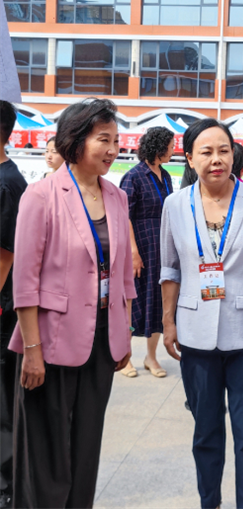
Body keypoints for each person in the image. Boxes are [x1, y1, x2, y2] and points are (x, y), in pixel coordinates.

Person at [9, 98, 136, 509]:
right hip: (50, 341)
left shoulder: (116, 196)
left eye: (116, 140)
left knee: (86, 445)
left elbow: (122, 274)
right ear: (75, 140)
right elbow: (25, 282)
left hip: (102, 341)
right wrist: (32, 350)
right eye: (104, 140)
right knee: (46, 453)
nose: (113, 149)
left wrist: (124, 333)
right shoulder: (41, 195)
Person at [161, 118, 243, 509]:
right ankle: (209, 502)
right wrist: (168, 322)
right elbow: (170, 270)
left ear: (234, 155)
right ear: (189, 158)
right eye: (206, 152)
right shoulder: (175, 205)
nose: (216, 159)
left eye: (224, 150)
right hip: (195, 332)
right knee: (206, 432)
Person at [119, 127, 174, 378]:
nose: (173, 151)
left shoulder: (166, 175)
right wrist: (133, 252)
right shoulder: (134, 176)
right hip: (140, 245)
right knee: (134, 302)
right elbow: (124, 216)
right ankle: (125, 357)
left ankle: (151, 357)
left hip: (161, 246)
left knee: (158, 300)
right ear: (158, 147)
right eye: (170, 147)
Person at [0, 101, 27, 509]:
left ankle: (6, 487)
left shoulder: (9, 183)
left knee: (3, 402)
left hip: (3, 308)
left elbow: (5, 256)